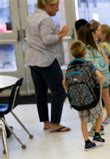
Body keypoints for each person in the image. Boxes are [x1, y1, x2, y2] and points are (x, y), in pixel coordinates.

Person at [25, 0, 70, 132]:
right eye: (56, 6)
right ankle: (55, 123)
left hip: (33, 60)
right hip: (45, 60)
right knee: (60, 91)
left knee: (41, 92)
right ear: (47, 5)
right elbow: (47, 40)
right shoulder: (45, 19)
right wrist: (62, 33)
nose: (57, 9)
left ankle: (46, 122)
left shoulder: (31, 17)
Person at [62, 41, 105, 150]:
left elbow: (63, 82)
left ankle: (87, 142)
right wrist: (99, 91)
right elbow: (100, 77)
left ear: (72, 53)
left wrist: (70, 95)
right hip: (91, 97)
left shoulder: (70, 66)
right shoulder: (88, 64)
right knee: (99, 114)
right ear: (85, 52)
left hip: (78, 100)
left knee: (83, 121)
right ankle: (96, 134)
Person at [77, 23, 110, 127]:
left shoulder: (83, 49)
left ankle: (97, 125)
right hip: (104, 75)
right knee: (105, 97)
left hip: (94, 77)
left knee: (95, 101)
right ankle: (109, 117)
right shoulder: (96, 45)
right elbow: (106, 59)